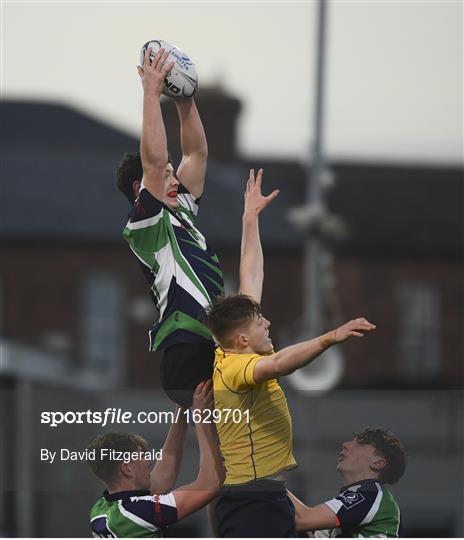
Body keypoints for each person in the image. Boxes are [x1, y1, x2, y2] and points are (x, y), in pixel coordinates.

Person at [202, 169, 377, 538]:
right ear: (243, 340)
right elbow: (281, 363)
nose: (267, 322)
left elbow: (251, 276)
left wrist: (250, 219)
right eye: (260, 321)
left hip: (262, 496)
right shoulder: (238, 369)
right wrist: (330, 337)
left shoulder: (232, 351)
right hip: (253, 501)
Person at [116, 46, 224, 407]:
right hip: (185, 347)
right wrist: (151, 91)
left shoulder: (183, 211)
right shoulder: (145, 223)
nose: (174, 177)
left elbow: (196, 155)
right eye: (166, 176)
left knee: (232, 451)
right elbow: (155, 158)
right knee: (215, 450)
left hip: (212, 344)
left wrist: (185, 100)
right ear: (140, 189)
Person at [87, 381, 224, 537]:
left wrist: (182, 406)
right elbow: (210, 484)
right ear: (127, 468)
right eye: (141, 456)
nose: (148, 462)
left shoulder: (101, 509)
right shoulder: (139, 513)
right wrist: (202, 418)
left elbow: (165, 473)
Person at [288, 427, 407, 537]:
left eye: (361, 443)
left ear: (378, 463)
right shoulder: (364, 499)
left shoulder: (370, 496)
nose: (345, 445)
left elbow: (303, 520)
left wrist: (273, 477)